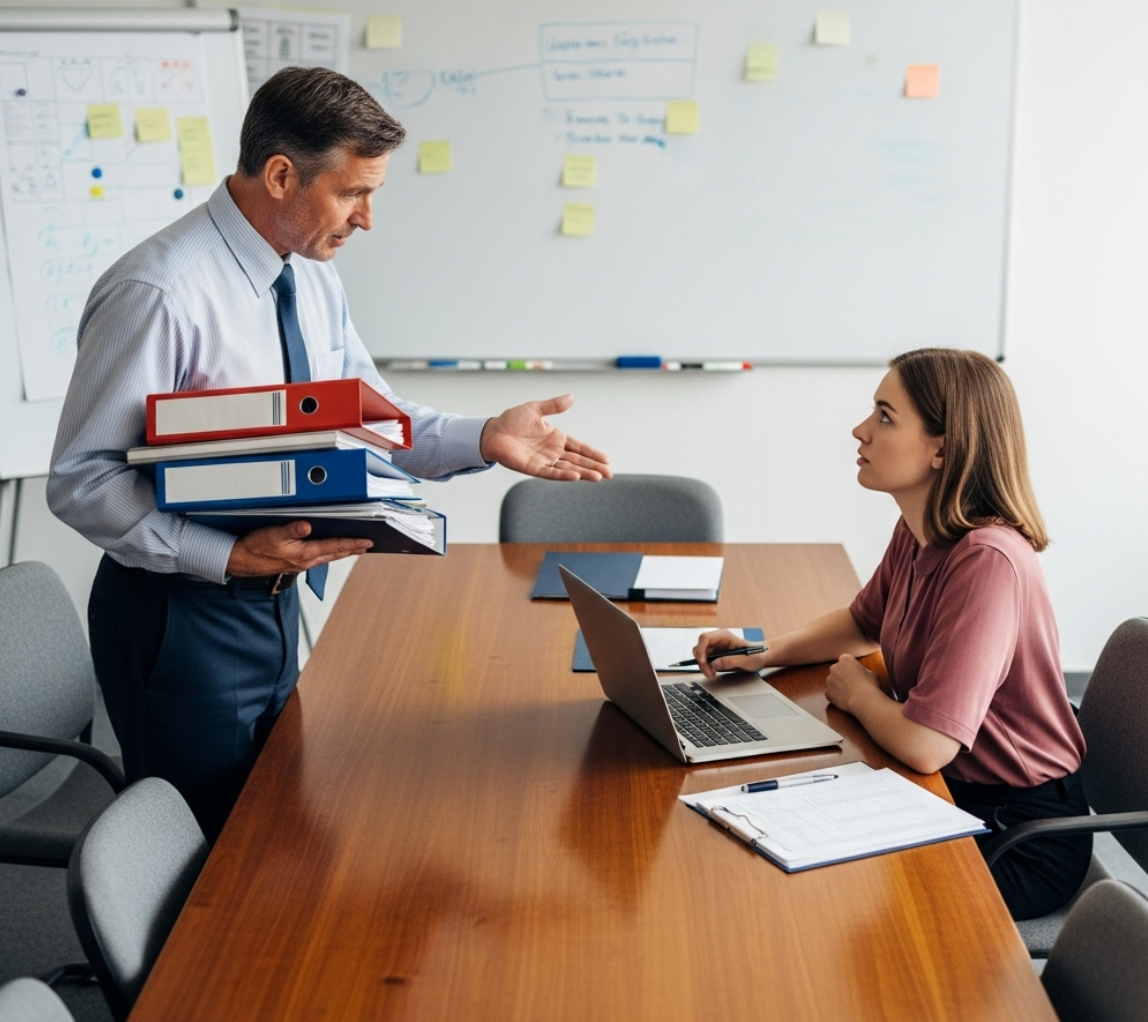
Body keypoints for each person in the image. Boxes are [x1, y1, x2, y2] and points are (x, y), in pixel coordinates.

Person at [47, 67, 611, 842]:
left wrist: (484, 437)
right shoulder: (160, 292)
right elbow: (82, 480)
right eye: (353, 193)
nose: (368, 219)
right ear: (281, 175)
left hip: (275, 598)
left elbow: (367, 419)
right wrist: (224, 555)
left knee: (268, 827)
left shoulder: (310, 280)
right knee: (205, 855)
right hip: (179, 613)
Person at [693, 348, 1088, 921]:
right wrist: (764, 652)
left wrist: (860, 695)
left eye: (884, 415)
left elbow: (928, 746)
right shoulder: (922, 528)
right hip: (953, 794)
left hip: (1019, 834)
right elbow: (862, 621)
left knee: (821, 890)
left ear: (943, 448)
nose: (860, 431)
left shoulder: (987, 561)